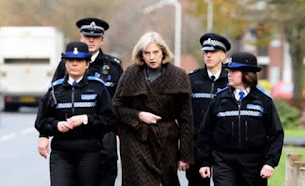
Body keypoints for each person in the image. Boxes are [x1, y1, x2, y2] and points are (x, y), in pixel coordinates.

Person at [38, 18, 123, 186]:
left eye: (95, 37)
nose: (91, 40)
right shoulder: (66, 66)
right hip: (68, 138)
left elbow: (121, 102)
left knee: (105, 179)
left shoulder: (113, 66)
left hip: (105, 134)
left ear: (102, 40)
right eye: (87, 36)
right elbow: (51, 101)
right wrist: (45, 134)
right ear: (81, 37)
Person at [113, 32, 193, 186]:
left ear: (163, 52)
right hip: (135, 139)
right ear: (141, 55)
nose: (152, 57)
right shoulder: (130, 74)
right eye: (147, 53)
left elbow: (186, 118)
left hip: (166, 139)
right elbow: (116, 107)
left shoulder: (178, 75)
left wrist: (185, 154)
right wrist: (139, 115)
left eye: (155, 52)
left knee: (166, 181)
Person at [197, 52, 284, 186]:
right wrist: (204, 162)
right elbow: (205, 132)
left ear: (247, 73)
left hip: (254, 165)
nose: (229, 74)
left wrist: (270, 163)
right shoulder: (219, 99)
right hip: (223, 163)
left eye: (234, 71)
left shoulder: (264, 100)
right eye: (228, 70)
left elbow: (276, 133)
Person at [187, 33, 231, 186]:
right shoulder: (192, 80)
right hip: (197, 146)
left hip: (224, 148)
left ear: (223, 56)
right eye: (206, 52)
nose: (209, 56)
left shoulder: (232, 80)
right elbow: (185, 116)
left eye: (213, 52)